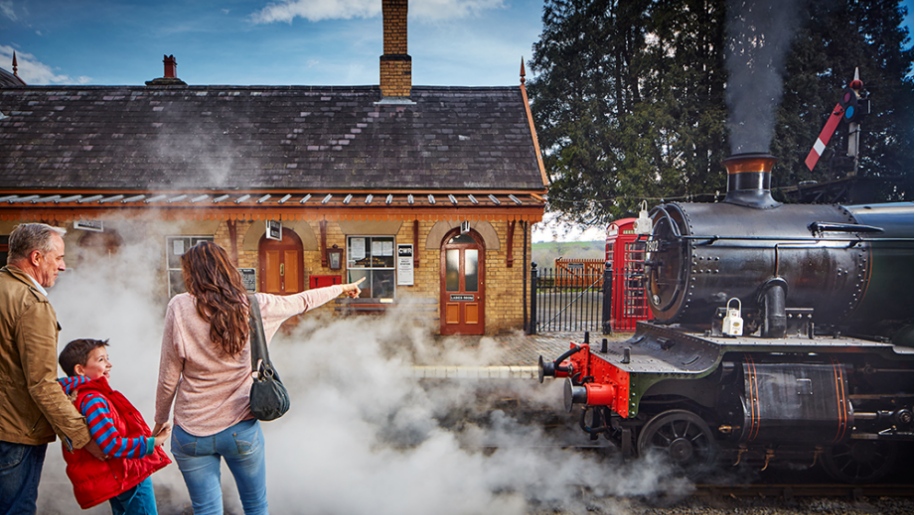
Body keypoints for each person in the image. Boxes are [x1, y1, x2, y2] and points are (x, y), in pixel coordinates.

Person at [153, 240, 363, 515]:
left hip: (191, 432)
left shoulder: (179, 307)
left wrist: (160, 420)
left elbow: (169, 376)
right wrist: (342, 288)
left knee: (206, 509)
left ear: (190, 274)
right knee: (255, 506)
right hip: (241, 428)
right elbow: (303, 301)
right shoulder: (257, 305)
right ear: (227, 269)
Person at [0, 223, 105, 515]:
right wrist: (84, 437)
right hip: (14, 433)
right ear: (36, 258)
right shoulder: (31, 304)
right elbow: (41, 384)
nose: (63, 266)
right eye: (57, 258)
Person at [57, 338, 172, 514]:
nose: (109, 364)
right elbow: (112, 445)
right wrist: (153, 442)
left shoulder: (76, 397)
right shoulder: (93, 399)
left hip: (120, 475)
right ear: (80, 370)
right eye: (101, 360)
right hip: (130, 473)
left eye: (107, 358)